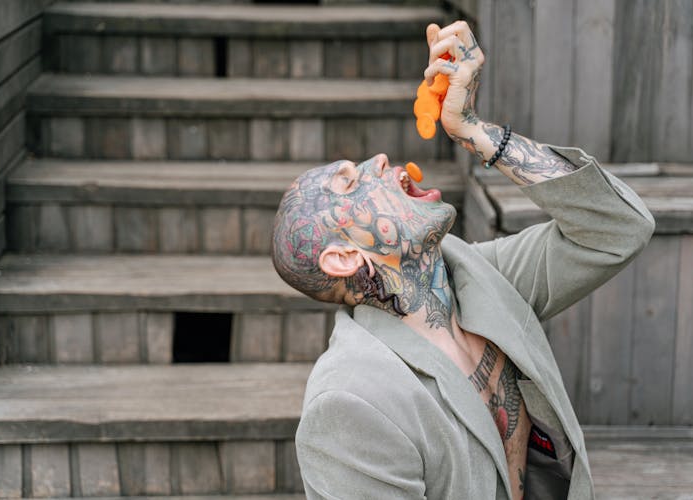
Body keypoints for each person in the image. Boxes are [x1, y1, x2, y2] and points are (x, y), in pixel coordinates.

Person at [271, 21, 654, 500]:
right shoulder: (350, 403)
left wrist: (474, 130)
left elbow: (619, 227)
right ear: (345, 256)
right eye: (350, 182)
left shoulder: (479, 276)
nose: (380, 160)